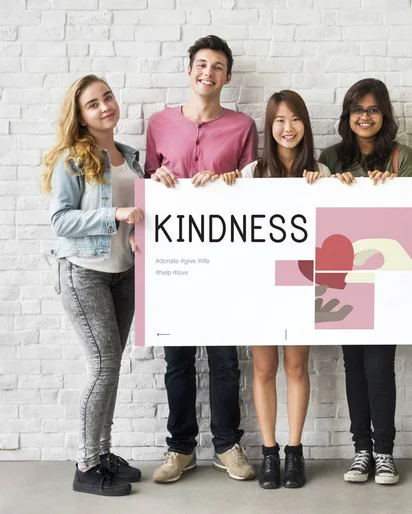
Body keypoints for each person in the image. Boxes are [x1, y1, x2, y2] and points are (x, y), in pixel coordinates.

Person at [146, 35, 258, 484]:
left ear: (227, 77)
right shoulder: (158, 123)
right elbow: (148, 184)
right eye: (201, 64)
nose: (207, 72)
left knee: (225, 360)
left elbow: (253, 192)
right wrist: (157, 176)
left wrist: (232, 180)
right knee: (177, 359)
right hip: (173, 262)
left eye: (217, 67)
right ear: (189, 70)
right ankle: (180, 449)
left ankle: (228, 445)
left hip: (225, 262)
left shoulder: (243, 127)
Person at [319, 78, 412, 486]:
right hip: (345, 280)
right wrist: (331, 183)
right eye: (357, 110)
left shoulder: (403, 157)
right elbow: (322, 212)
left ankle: (384, 452)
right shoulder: (330, 157)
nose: (365, 117)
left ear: (385, 115)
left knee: (380, 367)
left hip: (390, 278)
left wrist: (393, 190)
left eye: (373, 109)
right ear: (347, 116)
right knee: (354, 367)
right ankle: (360, 450)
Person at [222, 90, 330, 489]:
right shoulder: (251, 172)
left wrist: (330, 187)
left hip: (301, 284)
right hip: (261, 286)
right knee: (264, 370)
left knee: (297, 368)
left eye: (296, 119)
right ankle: (269, 453)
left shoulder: (320, 171)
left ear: (305, 124)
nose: (288, 128)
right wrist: (225, 184)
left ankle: (294, 451)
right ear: (270, 126)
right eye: (280, 120)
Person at [43, 75, 145, 496]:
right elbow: (60, 220)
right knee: (103, 366)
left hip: (123, 273)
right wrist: (115, 215)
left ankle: (102, 453)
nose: (105, 106)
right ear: (81, 117)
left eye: (108, 97)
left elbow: (140, 215)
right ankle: (86, 464)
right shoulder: (74, 158)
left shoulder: (131, 157)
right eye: (92, 104)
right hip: (83, 272)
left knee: (112, 366)